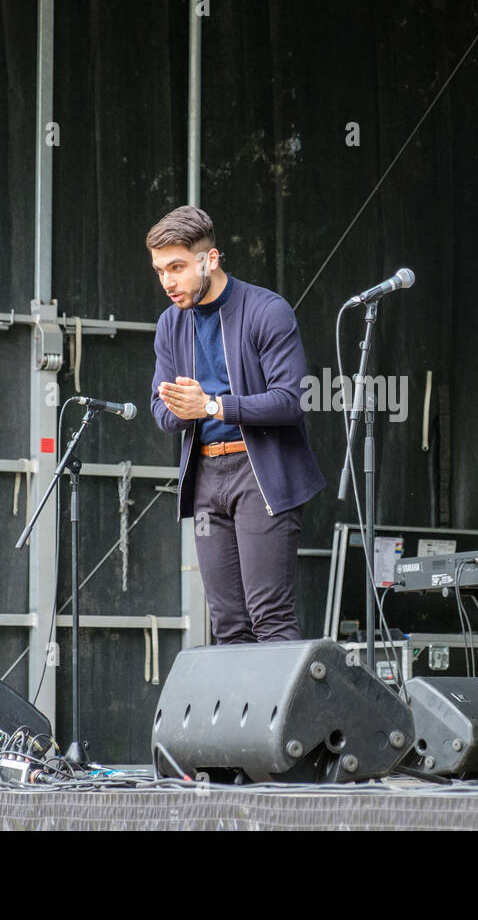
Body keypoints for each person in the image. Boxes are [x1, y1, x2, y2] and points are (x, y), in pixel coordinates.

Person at [148, 205, 325, 644]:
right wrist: (181, 409)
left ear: (210, 260)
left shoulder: (268, 309)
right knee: (227, 626)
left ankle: (287, 716)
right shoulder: (170, 324)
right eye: (160, 270)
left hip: (260, 474)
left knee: (270, 619)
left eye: (177, 267)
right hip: (207, 479)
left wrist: (211, 407)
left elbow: (291, 400)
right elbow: (161, 407)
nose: (168, 282)